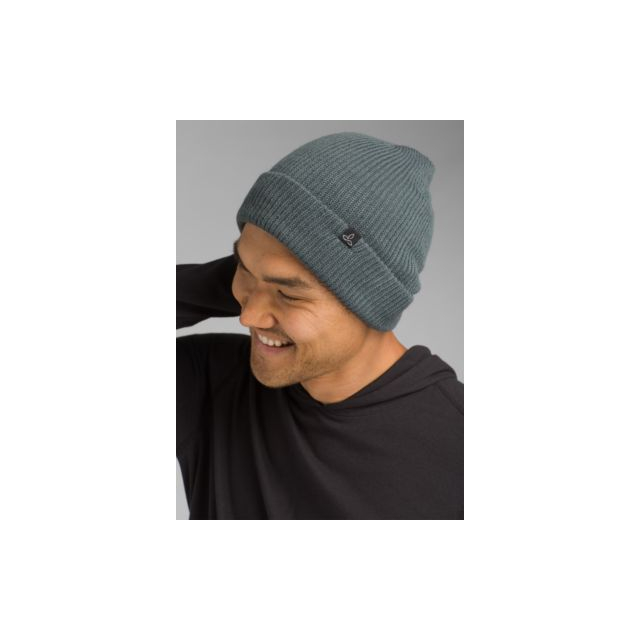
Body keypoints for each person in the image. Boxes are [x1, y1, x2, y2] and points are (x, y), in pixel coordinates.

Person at [177, 131, 463, 519]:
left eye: (289, 293)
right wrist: (260, 274)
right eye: (242, 269)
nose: (248, 317)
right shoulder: (212, 382)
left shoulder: (459, 447)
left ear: (371, 303)